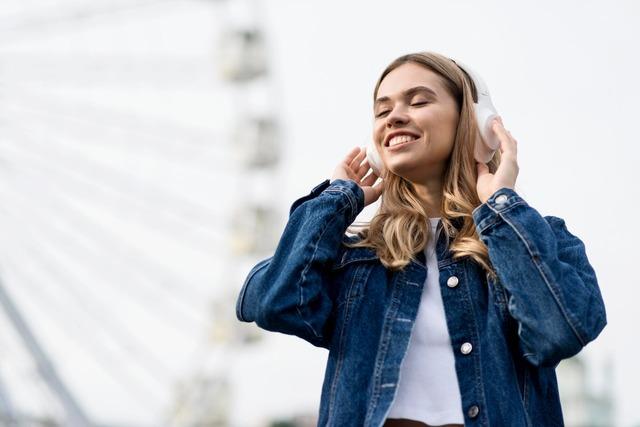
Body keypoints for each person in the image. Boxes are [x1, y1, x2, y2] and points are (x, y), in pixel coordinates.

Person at [235, 51, 607, 427]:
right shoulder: (356, 261)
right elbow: (273, 302)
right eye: (382, 112)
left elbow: (560, 331)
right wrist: (337, 199)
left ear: (474, 123)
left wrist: (501, 207)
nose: (394, 116)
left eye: (418, 101)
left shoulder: (536, 240)